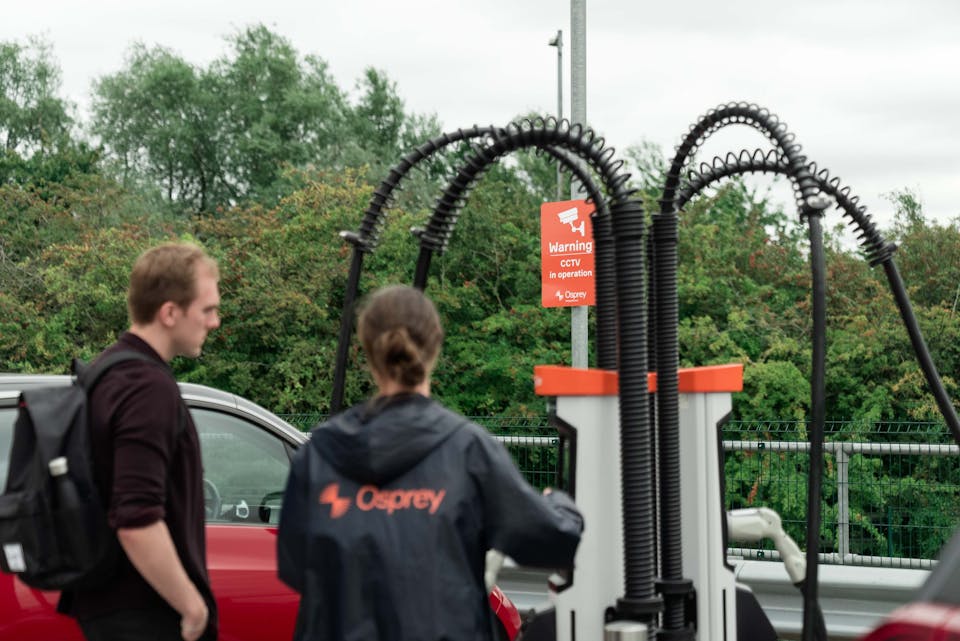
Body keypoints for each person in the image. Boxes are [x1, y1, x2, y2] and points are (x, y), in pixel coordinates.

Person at [277, 284, 584, 641]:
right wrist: (558, 503)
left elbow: (296, 568)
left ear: (366, 351)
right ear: (435, 347)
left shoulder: (319, 454)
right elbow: (553, 540)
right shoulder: (467, 450)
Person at [58, 242, 222, 641]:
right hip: (143, 613)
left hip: (111, 605)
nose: (215, 322)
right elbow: (135, 518)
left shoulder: (108, 370)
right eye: (207, 309)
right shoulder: (146, 388)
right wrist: (192, 606)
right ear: (169, 312)